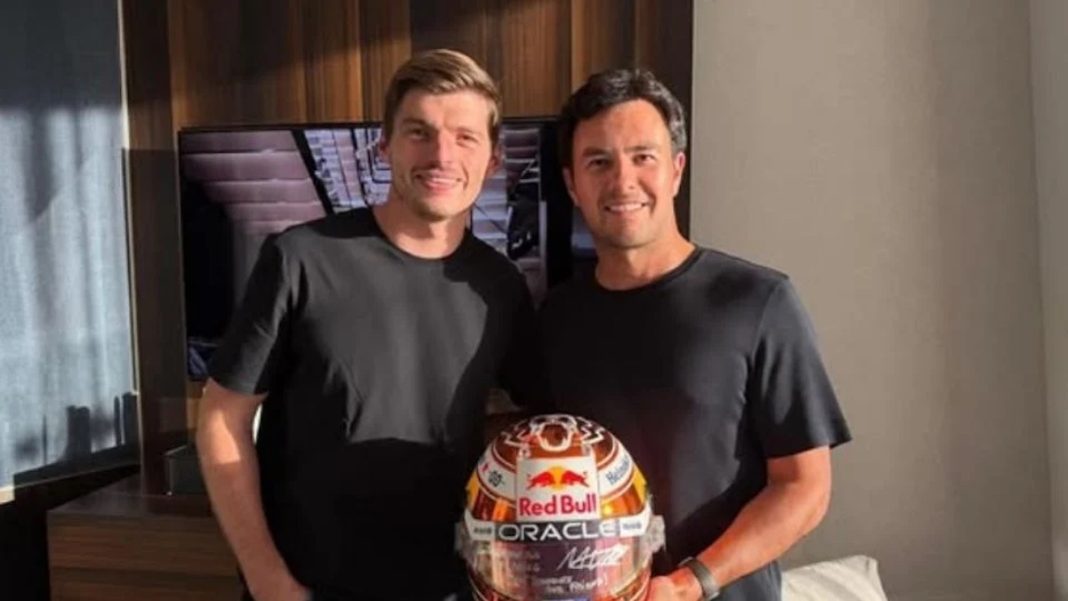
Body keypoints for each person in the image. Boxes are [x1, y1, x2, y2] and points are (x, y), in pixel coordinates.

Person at [196, 49, 541, 601]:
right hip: (308, 589)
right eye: (419, 132)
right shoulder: (301, 258)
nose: (441, 155)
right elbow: (222, 416)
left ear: (494, 159)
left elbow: (528, 418)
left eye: (465, 137)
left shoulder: (499, 285)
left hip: (450, 587)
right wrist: (266, 578)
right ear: (385, 144)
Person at [540, 68, 852, 601]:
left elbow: (805, 487)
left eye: (643, 157)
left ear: (676, 170)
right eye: (599, 162)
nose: (622, 181)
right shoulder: (556, 317)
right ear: (573, 185)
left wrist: (692, 582)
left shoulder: (758, 301)